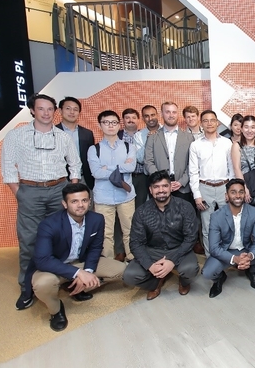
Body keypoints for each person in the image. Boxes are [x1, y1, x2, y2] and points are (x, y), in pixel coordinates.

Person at [1, 93, 81, 310]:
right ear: (33, 110)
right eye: (41, 108)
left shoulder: (62, 136)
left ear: (54, 111)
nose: (46, 113)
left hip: (59, 190)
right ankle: (27, 287)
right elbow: (8, 170)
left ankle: (65, 281)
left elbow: (75, 164)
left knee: (63, 238)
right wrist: (21, 193)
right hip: (30, 190)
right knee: (29, 241)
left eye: (49, 109)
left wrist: (71, 189)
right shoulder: (16, 136)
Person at [21, 183, 126, 331]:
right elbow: (42, 260)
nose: (80, 205)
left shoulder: (97, 219)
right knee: (42, 285)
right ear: (65, 204)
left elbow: (95, 248)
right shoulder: (49, 224)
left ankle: (75, 286)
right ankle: (56, 310)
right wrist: (78, 273)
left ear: (90, 202)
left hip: (80, 262)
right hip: (55, 266)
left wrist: (88, 272)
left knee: (122, 270)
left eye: (84, 200)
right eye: (74, 201)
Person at [123, 171, 199, 299]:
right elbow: (136, 243)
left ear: (170, 187)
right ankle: (155, 282)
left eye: (164, 186)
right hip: (153, 250)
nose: (161, 190)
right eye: (156, 187)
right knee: (129, 276)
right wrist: (150, 265)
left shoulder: (185, 207)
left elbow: (191, 238)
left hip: (179, 249)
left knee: (191, 269)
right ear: (150, 190)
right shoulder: (141, 212)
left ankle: (183, 281)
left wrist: (172, 261)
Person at [202, 179, 255, 297]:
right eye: (233, 192)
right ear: (226, 196)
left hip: (246, 250)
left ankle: (251, 272)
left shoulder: (254, 212)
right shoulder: (216, 216)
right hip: (226, 252)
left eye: (241, 192)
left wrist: (250, 256)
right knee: (207, 273)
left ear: (245, 194)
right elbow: (214, 248)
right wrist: (235, 259)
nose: (237, 195)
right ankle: (219, 278)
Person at [87, 110, 136, 261]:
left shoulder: (129, 146)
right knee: (106, 233)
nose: (110, 126)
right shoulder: (94, 149)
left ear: (118, 125)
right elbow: (96, 173)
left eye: (114, 122)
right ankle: (108, 264)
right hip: (103, 197)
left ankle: (133, 260)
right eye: (106, 122)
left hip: (125, 196)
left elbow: (131, 168)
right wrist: (119, 167)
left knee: (130, 230)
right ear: (100, 125)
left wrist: (106, 167)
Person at [189, 110, 235, 256]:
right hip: (205, 188)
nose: (209, 123)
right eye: (206, 120)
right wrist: (197, 195)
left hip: (224, 187)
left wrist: (230, 190)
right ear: (201, 124)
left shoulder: (227, 143)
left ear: (217, 123)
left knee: (227, 224)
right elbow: (193, 172)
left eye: (212, 120)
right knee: (207, 228)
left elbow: (232, 169)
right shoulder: (195, 145)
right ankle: (211, 258)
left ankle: (226, 256)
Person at [144, 102, 194, 204]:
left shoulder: (189, 137)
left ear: (177, 114)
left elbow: (192, 163)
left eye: (174, 112)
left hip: (182, 188)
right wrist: (161, 182)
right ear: (162, 114)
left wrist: (182, 181)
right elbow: (148, 161)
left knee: (184, 218)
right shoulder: (152, 138)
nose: (171, 115)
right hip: (160, 189)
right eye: (167, 112)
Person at [56, 96, 95, 189]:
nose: (72, 112)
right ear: (60, 111)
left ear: (79, 113)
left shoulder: (87, 133)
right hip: (60, 180)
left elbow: (91, 157)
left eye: (75, 109)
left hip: (84, 178)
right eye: (68, 108)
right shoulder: (52, 132)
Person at [118, 108, 149, 209]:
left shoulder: (144, 135)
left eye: (133, 117)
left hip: (141, 177)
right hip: (123, 177)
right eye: (127, 118)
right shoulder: (116, 136)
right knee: (123, 207)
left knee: (141, 205)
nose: (130, 120)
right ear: (123, 120)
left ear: (139, 120)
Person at [133, 105, 161, 208]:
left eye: (153, 115)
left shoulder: (166, 130)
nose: (150, 118)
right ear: (143, 118)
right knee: (151, 206)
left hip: (167, 174)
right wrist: (149, 142)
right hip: (148, 176)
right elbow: (140, 159)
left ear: (157, 115)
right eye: (147, 116)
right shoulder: (139, 135)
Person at [231, 115, 255, 205]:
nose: (249, 131)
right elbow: (237, 169)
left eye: (253, 127)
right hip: (247, 185)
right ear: (242, 129)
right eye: (246, 127)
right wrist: (244, 188)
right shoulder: (237, 145)